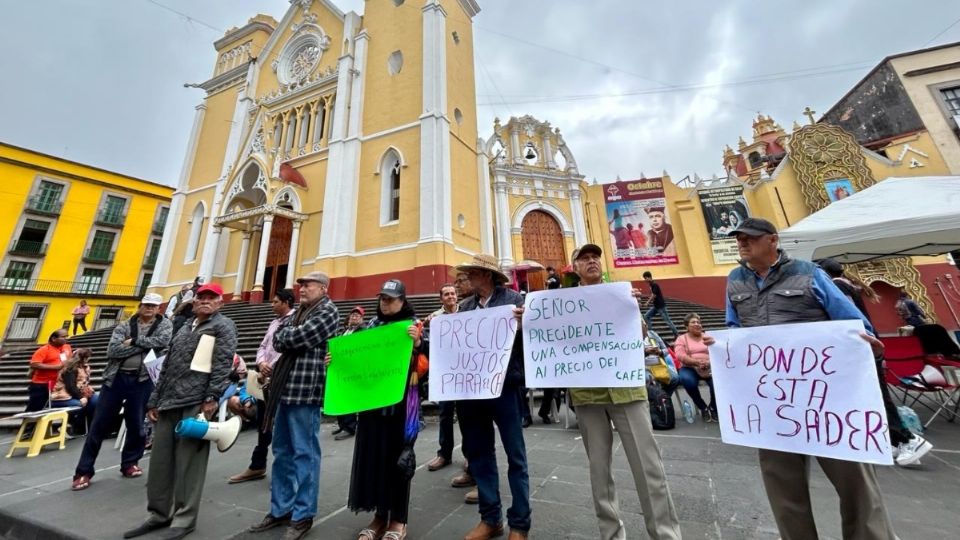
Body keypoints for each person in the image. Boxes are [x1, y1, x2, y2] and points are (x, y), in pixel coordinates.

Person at [725, 217, 898, 540]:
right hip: (774, 401)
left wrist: (868, 344)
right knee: (782, 485)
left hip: (828, 400)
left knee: (856, 482)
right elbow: (735, 328)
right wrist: (721, 348)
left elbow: (854, 323)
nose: (742, 243)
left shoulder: (809, 273)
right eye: (739, 238)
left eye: (750, 237)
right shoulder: (735, 280)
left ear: (772, 240)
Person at [563, 243, 682, 540]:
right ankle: (612, 534)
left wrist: (634, 310)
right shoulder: (564, 303)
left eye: (595, 258)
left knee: (649, 467)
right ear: (574, 267)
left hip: (627, 388)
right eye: (584, 258)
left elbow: (640, 334)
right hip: (587, 392)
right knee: (599, 472)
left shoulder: (621, 293)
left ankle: (665, 534)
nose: (591, 262)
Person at [125, 283, 236, 540]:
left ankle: (184, 518)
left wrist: (211, 397)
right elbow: (166, 365)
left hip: (195, 401)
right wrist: (154, 400)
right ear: (194, 302)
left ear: (220, 302)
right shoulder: (185, 326)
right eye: (201, 297)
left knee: (189, 463)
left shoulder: (223, 326)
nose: (205, 301)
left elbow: (222, 362)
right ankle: (158, 513)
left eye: (212, 298)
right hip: (169, 400)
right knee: (160, 461)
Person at [248, 272, 339, 540]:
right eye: (300, 285)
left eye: (307, 285)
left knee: (305, 453)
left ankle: (303, 514)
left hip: (305, 390)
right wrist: (287, 334)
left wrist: (287, 334)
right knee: (282, 450)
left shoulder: (328, 311)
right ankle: (281, 509)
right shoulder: (300, 312)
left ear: (322, 288)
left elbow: (299, 338)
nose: (301, 289)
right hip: (284, 389)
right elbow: (278, 337)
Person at [816, 259, 933, 467]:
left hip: (860, 349)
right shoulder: (848, 286)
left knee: (875, 397)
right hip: (867, 346)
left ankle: (908, 439)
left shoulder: (837, 287)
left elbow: (847, 321)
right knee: (875, 395)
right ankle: (895, 439)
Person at [341, 279, 424, 540]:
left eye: (391, 299)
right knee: (374, 460)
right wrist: (338, 360)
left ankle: (398, 520)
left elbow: (428, 364)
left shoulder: (414, 326)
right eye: (382, 298)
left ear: (403, 300)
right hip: (373, 406)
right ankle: (379, 517)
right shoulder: (370, 328)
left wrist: (419, 344)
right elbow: (358, 364)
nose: (385, 303)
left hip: (401, 408)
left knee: (398, 461)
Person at [455, 254, 530, 540]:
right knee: (480, 455)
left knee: (516, 456)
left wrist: (524, 324)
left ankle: (520, 524)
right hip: (473, 392)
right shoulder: (464, 308)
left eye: (471, 273)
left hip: (506, 388)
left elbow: (532, 341)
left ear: (486, 276)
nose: (466, 278)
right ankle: (491, 519)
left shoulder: (514, 301)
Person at [73, 293, 173, 491]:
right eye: (146, 305)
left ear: (158, 308)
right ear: (140, 306)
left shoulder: (165, 325)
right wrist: (144, 344)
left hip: (143, 379)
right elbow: (113, 351)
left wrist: (133, 341)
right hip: (116, 379)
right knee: (98, 425)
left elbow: (163, 342)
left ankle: (130, 463)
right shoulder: (124, 325)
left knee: (136, 424)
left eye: (153, 306)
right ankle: (83, 471)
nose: (149, 309)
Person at [228, 289, 295, 486]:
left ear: (287, 302)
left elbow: (289, 348)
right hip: (265, 380)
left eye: (276, 302)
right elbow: (263, 347)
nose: (272, 305)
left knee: (282, 426)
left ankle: (284, 473)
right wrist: (260, 363)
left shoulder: (295, 320)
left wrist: (271, 366)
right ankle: (257, 464)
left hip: (283, 379)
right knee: (264, 424)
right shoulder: (274, 322)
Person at [425, 284, 459, 472]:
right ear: (441, 299)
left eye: (453, 293)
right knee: (445, 414)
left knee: (467, 415)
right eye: (446, 294)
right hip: (445, 372)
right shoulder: (435, 318)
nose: (450, 297)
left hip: (465, 371)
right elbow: (429, 344)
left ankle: (470, 456)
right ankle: (444, 454)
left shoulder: (467, 312)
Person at [674, 313, 717, 422]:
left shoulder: (708, 337)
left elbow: (718, 352)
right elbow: (680, 355)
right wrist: (696, 362)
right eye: (693, 322)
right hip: (689, 367)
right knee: (687, 380)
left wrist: (709, 362)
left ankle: (713, 407)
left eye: (698, 322)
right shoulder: (681, 339)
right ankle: (702, 406)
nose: (697, 324)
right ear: (686, 326)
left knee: (717, 383)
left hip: (710, 366)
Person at [333, 305, 366, 441]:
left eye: (357, 316)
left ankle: (350, 427)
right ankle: (342, 424)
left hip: (353, 369)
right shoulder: (344, 330)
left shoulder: (363, 331)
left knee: (348, 399)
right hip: (340, 368)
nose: (354, 317)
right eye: (352, 315)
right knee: (340, 397)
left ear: (362, 319)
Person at [50, 347, 97, 435]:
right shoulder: (70, 369)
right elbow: (70, 387)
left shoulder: (84, 367)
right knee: (80, 404)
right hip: (62, 396)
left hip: (79, 393)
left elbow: (84, 383)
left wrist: (86, 394)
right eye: (87, 357)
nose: (89, 359)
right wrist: (82, 397)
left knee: (96, 401)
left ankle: (91, 426)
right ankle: (75, 427)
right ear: (82, 358)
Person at [26, 329, 71, 412]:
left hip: (58, 384)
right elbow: (34, 364)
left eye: (67, 336)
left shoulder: (66, 347)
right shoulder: (44, 349)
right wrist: (56, 367)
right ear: (54, 339)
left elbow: (69, 359)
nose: (66, 338)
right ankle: (29, 424)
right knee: (35, 409)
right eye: (63, 337)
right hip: (41, 384)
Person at [642, 271, 679, 338]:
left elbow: (654, 295)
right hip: (656, 306)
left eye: (646, 278)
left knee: (668, 321)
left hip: (661, 306)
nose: (645, 280)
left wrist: (647, 302)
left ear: (649, 277)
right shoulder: (651, 285)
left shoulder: (655, 284)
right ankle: (650, 332)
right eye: (644, 278)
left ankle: (676, 335)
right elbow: (653, 294)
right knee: (646, 316)